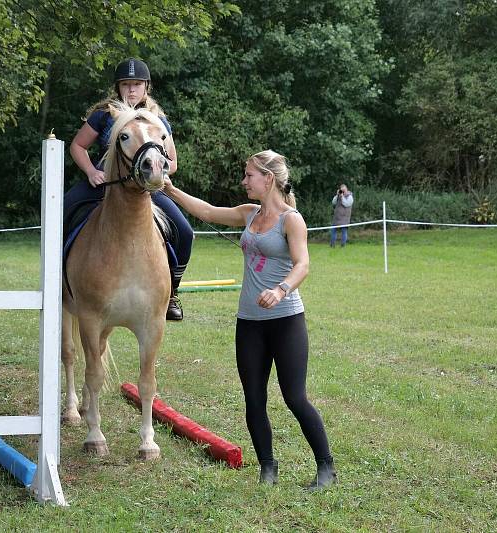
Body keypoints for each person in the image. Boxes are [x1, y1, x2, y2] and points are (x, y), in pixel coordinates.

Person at [163, 150, 337, 490]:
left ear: (268, 178)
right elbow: (207, 212)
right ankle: (267, 468)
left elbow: (303, 264)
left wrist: (281, 289)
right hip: (250, 323)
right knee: (253, 398)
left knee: (294, 397)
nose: (244, 181)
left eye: (249, 176)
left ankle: (326, 467)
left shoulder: (292, 220)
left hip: (286, 320)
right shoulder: (248, 214)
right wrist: (169, 190)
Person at [66, 57, 193, 321]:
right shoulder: (104, 115)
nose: (131, 90)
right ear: (118, 87)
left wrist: (158, 173)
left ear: (147, 86)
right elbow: (78, 146)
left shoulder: (158, 121)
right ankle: (60, 280)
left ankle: (172, 293)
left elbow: (173, 162)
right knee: (60, 213)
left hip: (145, 189)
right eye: (126, 85)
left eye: (136, 84)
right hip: (104, 184)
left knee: (184, 231)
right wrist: (91, 171)